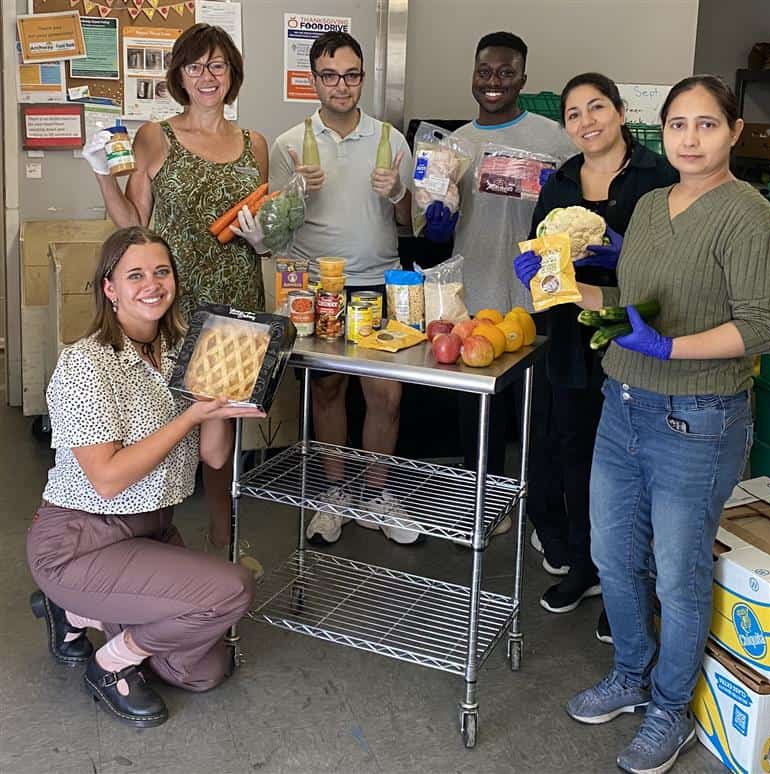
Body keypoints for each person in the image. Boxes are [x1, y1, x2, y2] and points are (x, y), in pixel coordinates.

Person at [521, 76, 770, 774]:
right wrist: (559, 281)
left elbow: (762, 327)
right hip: (624, 406)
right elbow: (628, 300)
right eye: (677, 125)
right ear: (661, 133)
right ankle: (632, 676)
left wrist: (671, 348)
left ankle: (671, 707)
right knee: (613, 558)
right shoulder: (647, 206)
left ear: (732, 131)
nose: (690, 139)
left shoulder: (749, 215)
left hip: (697, 419)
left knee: (679, 574)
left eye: (705, 125)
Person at [27, 226, 265, 728]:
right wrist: (189, 417)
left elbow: (216, 459)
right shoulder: (84, 363)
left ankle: (75, 616)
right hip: (82, 540)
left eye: (161, 271)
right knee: (231, 590)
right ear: (109, 288)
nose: (152, 284)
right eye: (134, 275)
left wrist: (222, 404)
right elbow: (108, 479)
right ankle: (108, 663)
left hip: (152, 530)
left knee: (202, 671)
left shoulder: (183, 353)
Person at [80, 24, 269, 568]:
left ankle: (221, 539)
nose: (206, 77)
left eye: (217, 66)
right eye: (194, 66)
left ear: (232, 74)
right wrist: (102, 176)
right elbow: (134, 223)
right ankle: (139, 546)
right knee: (152, 422)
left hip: (235, 309)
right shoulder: (155, 137)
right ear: (178, 76)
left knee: (217, 441)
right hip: (169, 304)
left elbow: (263, 223)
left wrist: (266, 239)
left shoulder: (254, 142)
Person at [513, 74, 677, 635]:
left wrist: (624, 255)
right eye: (575, 114)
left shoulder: (659, 176)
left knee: (633, 467)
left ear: (620, 111)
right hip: (569, 338)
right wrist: (532, 269)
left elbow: (673, 268)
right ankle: (585, 565)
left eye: (597, 107)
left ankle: (628, 587)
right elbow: (542, 250)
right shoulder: (560, 180)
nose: (587, 121)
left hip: (634, 338)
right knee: (576, 456)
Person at [263, 31, 417, 546]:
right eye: (330, 75)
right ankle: (334, 493)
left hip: (378, 282)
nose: (342, 85)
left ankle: (378, 493)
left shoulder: (390, 139)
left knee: (386, 395)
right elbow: (277, 232)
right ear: (314, 79)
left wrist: (398, 193)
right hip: (316, 283)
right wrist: (292, 196)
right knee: (328, 389)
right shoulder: (289, 144)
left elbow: (410, 220)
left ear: (363, 77)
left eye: (351, 75)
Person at [423, 31, 575, 542]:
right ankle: (483, 502)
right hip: (475, 293)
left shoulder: (554, 137)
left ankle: (540, 509)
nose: (494, 82)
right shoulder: (453, 145)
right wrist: (437, 219)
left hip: (537, 295)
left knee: (537, 411)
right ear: (473, 76)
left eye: (506, 73)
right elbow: (433, 224)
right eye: (485, 72)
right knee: (479, 414)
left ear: (523, 80)